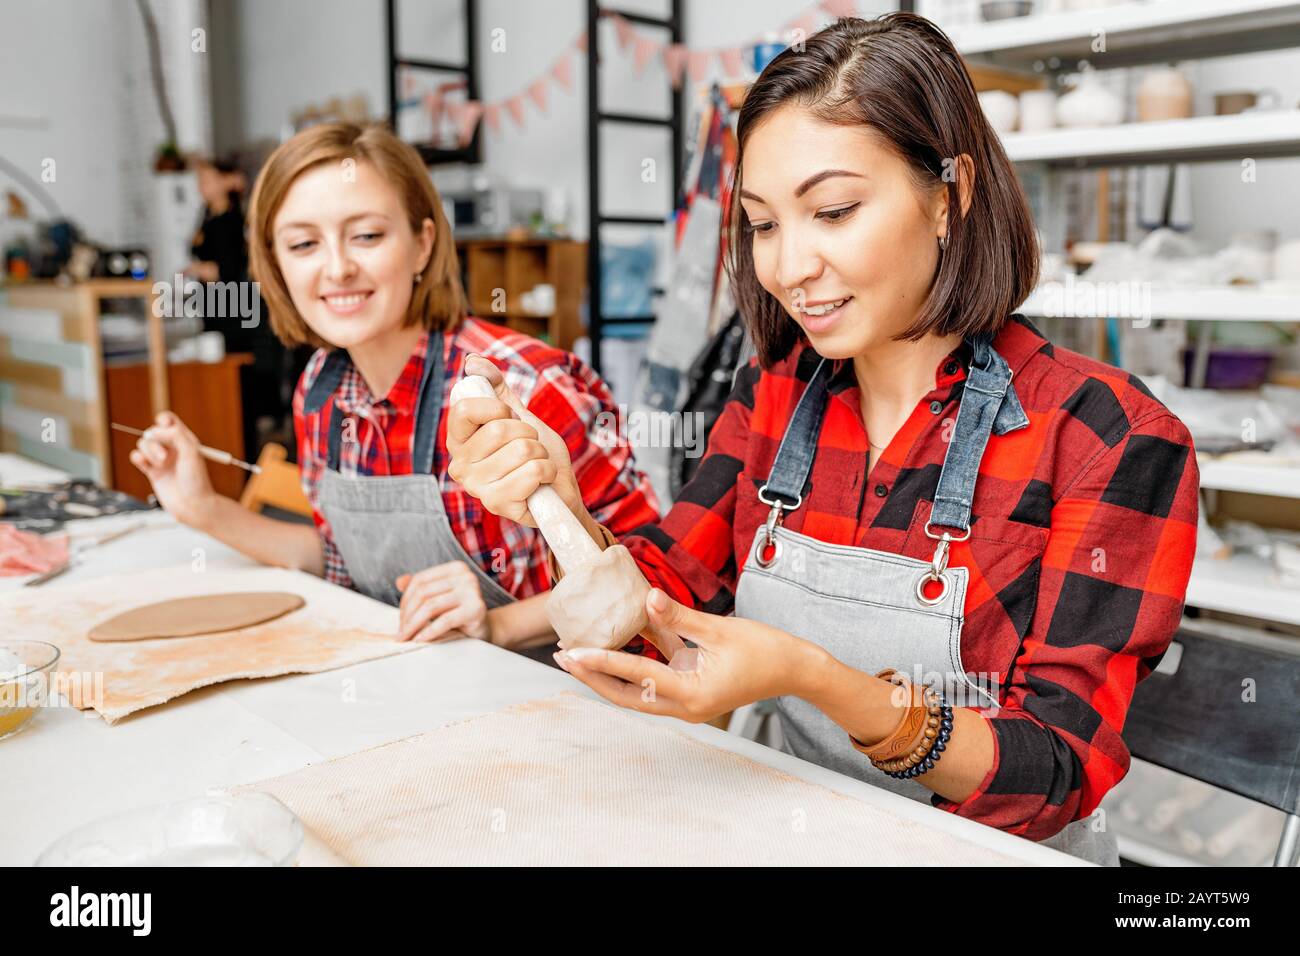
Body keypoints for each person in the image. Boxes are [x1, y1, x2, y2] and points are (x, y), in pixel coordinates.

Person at [446, 13, 1199, 864]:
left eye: (832, 211)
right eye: (764, 224)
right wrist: (561, 503)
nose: (787, 266)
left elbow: (1058, 772)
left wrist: (815, 680)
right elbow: (653, 609)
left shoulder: (1109, 438)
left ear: (951, 196)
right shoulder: (773, 396)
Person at [131, 123, 660, 658]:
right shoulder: (321, 386)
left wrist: (498, 625)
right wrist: (202, 508)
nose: (337, 268)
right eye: (303, 243)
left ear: (423, 245)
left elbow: (653, 583)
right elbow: (337, 557)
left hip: (557, 709)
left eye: (367, 235)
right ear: (276, 263)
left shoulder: (522, 385)